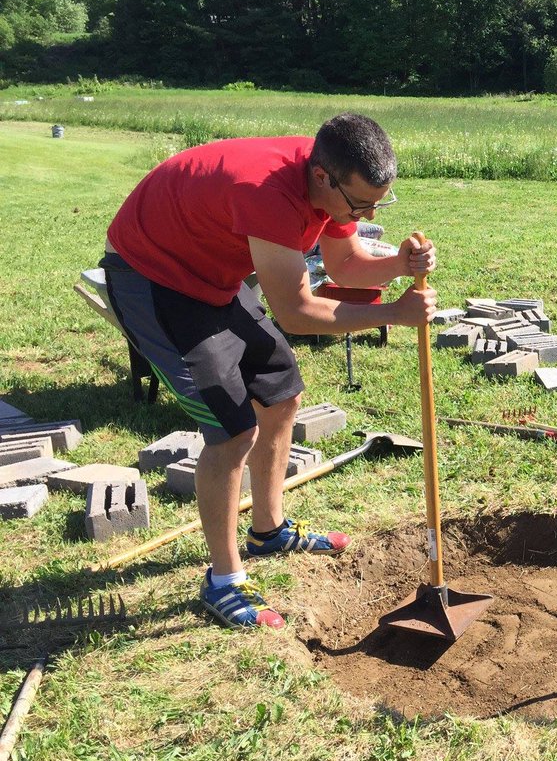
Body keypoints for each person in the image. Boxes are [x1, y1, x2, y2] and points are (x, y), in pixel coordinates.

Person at [101, 112, 437, 630]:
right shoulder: (268, 193)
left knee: (281, 394)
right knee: (232, 431)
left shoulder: (331, 174)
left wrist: (398, 264)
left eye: (379, 201)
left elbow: (345, 264)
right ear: (323, 177)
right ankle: (223, 581)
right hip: (154, 275)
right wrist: (392, 313)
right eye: (361, 204)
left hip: (210, 269)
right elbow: (297, 312)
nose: (368, 212)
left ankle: (269, 529)